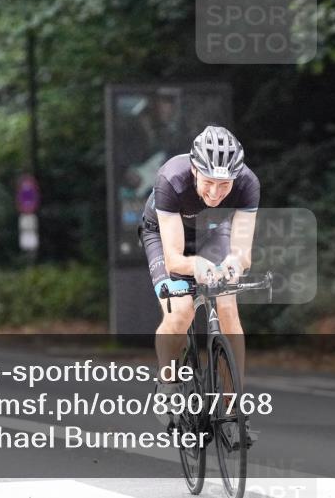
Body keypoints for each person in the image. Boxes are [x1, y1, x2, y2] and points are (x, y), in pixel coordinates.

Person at [138, 126, 258, 445]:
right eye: (208, 182)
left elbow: (243, 252)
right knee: (180, 311)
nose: (216, 193)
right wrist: (197, 266)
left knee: (228, 306)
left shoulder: (248, 183)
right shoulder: (171, 179)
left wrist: (233, 264)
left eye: (224, 185)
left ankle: (232, 411)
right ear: (194, 169)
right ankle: (168, 385)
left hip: (212, 232)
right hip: (163, 235)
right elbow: (175, 259)